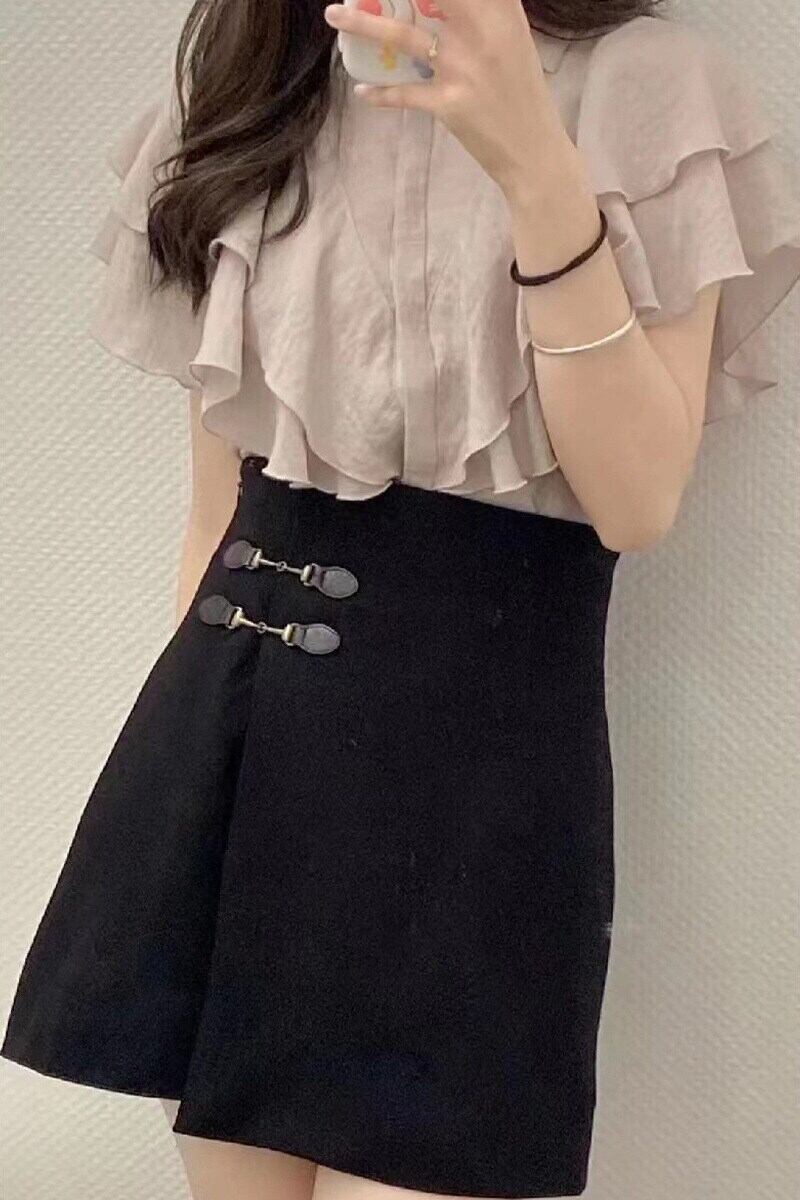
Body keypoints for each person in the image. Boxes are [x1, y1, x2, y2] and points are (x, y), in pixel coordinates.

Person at [3, 3, 799, 1198]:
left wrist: (532, 165)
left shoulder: (649, 89)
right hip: (232, 738)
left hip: (481, 784)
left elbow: (635, 500)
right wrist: (181, 814)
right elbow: (216, 511)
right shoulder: (251, 80)